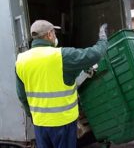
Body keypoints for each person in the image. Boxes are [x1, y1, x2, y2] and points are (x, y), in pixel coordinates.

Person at [15, 20, 108, 148]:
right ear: (49, 35)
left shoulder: (21, 60)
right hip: (63, 123)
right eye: (54, 32)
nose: (55, 36)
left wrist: (33, 116)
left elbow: (21, 96)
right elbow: (95, 54)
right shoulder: (61, 56)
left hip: (40, 125)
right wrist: (103, 38)